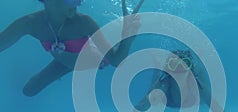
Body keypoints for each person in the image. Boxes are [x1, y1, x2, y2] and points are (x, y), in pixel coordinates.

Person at [0, 0, 144, 97]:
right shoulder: (30, 24)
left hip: (95, 60)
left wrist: (127, 37)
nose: (79, 3)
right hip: (64, 60)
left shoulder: (84, 22)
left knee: (106, 53)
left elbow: (116, 61)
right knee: (29, 91)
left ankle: (120, 36)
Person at [134, 50, 227, 112]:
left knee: (202, 80)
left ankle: (199, 58)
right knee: (157, 77)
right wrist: (149, 98)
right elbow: (137, 111)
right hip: (169, 100)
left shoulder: (197, 86)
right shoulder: (164, 83)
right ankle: (157, 63)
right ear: (168, 68)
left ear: (190, 68)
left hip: (192, 99)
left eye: (185, 63)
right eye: (173, 64)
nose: (179, 68)